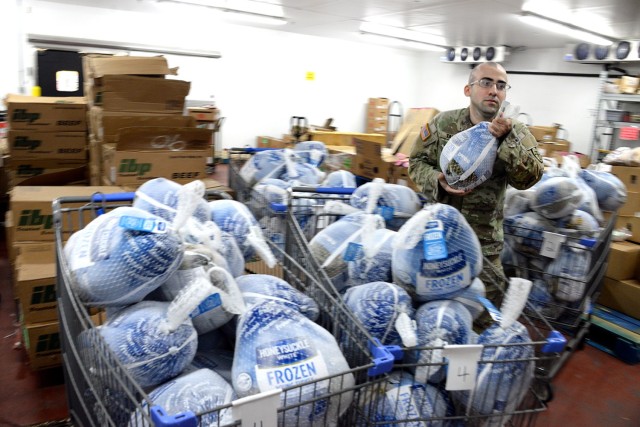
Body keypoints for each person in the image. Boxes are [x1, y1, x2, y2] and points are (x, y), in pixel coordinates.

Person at [408, 62, 543, 326]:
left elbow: (530, 178)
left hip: (484, 242)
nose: (494, 90)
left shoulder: (516, 132)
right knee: (434, 311)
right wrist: (437, 180)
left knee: (482, 314)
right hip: (439, 236)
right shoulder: (443, 124)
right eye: (486, 83)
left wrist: (507, 141)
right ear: (468, 89)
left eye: (501, 85)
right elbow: (416, 163)